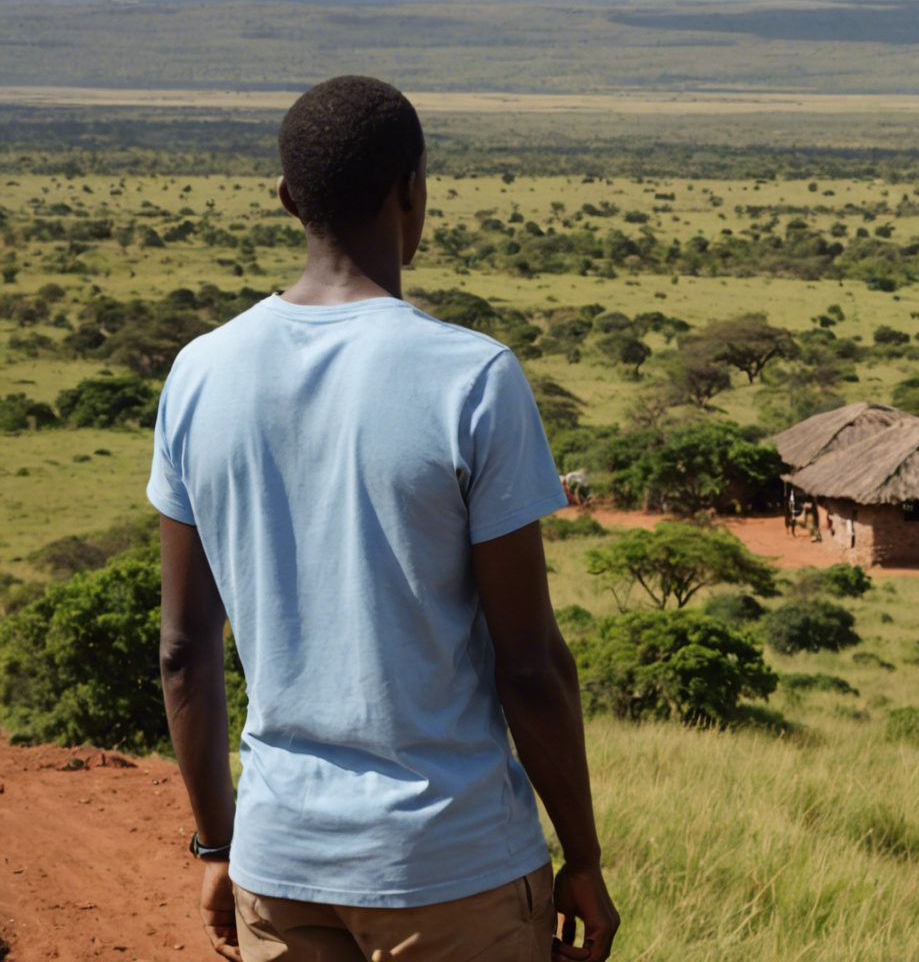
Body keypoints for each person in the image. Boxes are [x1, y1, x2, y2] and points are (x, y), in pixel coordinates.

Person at [152, 77, 618, 962]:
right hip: (454, 864)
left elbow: (184, 653)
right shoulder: (472, 378)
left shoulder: (198, 374)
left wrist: (217, 844)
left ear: (288, 200)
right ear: (415, 188)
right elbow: (529, 664)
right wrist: (583, 857)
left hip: (280, 865)